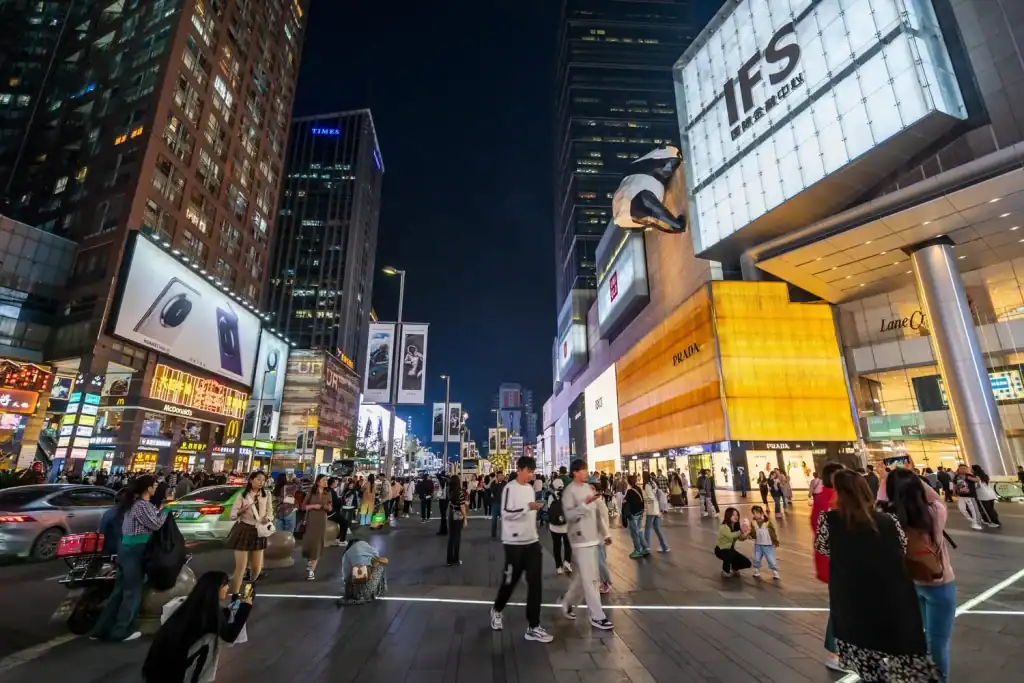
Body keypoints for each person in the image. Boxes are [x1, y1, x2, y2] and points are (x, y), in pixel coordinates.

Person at [814, 470, 942, 681]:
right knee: (905, 667)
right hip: (892, 603)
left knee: (868, 667)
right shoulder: (888, 520)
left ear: (840, 493)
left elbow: (823, 547)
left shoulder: (829, 521)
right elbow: (901, 546)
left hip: (852, 604)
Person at [881, 468, 956, 680]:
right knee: (938, 642)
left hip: (909, 582)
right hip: (939, 582)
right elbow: (932, 494)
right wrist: (912, 477)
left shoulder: (887, 517)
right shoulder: (934, 512)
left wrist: (887, 481)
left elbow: (880, 499)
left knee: (920, 637)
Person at [91, 475, 165, 642]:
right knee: (132, 591)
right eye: (154, 485)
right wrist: (165, 511)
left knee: (119, 591)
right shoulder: (141, 505)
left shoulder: (131, 504)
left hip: (125, 549)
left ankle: (102, 629)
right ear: (148, 488)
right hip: (134, 550)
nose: (155, 488)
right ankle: (122, 631)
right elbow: (156, 524)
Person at [142, 571, 251, 683]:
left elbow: (225, 614)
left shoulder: (193, 605)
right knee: (211, 640)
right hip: (174, 673)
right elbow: (230, 635)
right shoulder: (208, 614)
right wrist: (247, 605)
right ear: (216, 588)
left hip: (157, 669)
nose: (227, 588)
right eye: (225, 585)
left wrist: (238, 603)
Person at [490, 456, 553, 643]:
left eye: (533, 472)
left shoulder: (529, 489)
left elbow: (528, 514)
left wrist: (533, 508)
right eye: (530, 472)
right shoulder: (510, 488)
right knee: (510, 582)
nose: (532, 475)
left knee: (535, 584)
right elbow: (507, 514)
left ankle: (533, 626)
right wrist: (529, 507)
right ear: (521, 469)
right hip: (513, 544)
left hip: (532, 543)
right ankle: (497, 610)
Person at [559, 459, 613, 631]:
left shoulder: (588, 488)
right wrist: (584, 504)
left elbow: (597, 513)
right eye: (583, 470)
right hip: (580, 540)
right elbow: (569, 516)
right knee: (591, 580)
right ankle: (597, 616)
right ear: (575, 472)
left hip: (593, 538)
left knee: (585, 579)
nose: (586, 472)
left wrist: (605, 533)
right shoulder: (569, 492)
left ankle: (567, 602)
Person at [811, 461, 845, 670]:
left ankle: (840, 651)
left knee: (842, 605)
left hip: (831, 560)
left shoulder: (823, 497)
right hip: (837, 561)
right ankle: (834, 654)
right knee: (842, 606)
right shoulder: (831, 499)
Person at [226, 471, 273, 593]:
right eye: (258, 479)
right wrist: (240, 511)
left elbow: (270, 511)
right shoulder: (243, 494)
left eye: (263, 480)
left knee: (257, 568)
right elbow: (232, 515)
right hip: (244, 529)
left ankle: (248, 590)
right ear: (251, 480)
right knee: (241, 567)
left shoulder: (266, 494)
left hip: (259, 531)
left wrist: (267, 519)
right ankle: (235, 595)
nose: (261, 482)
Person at [301, 474, 333, 580]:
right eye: (324, 480)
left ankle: (312, 571)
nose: (325, 482)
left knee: (318, 544)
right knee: (310, 543)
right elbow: (303, 506)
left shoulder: (328, 493)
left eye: (326, 480)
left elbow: (330, 508)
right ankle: (310, 561)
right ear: (318, 481)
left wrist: (328, 508)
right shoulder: (311, 492)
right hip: (311, 520)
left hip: (322, 521)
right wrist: (314, 506)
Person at [715, 507, 751, 577]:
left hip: (730, 550)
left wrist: (746, 534)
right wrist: (741, 531)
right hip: (721, 550)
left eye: (737, 515)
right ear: (728, 516)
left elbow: (740, 538)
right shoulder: (723, 526)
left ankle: (734, 567)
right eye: (733, 515)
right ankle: (725, 571)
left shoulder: (735, 526)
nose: (736, 517)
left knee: (747, 563)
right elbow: (731, 536)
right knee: (729, 554)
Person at [546, 478, 572, 574]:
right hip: (566, 526)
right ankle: (567, 562)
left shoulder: (550, 497)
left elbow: (549, 510)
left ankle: (559, 566)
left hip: (554, 527)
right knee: (568, 545)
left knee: (556, 547)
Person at [749, 505, 780, 580]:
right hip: (758, 544)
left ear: (761, 513)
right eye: (754, 513)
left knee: (770, 558)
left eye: (757, 513)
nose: (756, 515)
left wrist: (775, 541)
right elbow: (753, 533)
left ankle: (775, 571)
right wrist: (750, 535)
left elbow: (772, 532)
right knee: (757, 558)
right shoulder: (753, 523)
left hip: (767, 545)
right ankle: (756, 570)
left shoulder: (767, 522)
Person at [642, 472, 669, 552]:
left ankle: (647, 547)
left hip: (651, 509)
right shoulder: (653, 483)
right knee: (657, 528)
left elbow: (650, 497)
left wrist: (644, 500)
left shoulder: (647, 485)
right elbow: (657, 495)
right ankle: (664, 546)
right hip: (656, 508)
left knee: (647, 529)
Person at [623, 474, 649, 558]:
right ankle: (645, 548)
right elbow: (642, 500)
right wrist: (642, 510)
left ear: (628, 482)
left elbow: (625, 502)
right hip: (639, 513)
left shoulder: (630, 491)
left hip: (633, 515)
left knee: (635, 534)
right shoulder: (638, 489)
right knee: (639, 531)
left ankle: (637, 550)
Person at [952, 464, 983, 530]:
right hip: (961, 496)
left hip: (970, 496)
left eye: (964, 468)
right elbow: (954, 484)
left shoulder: (969, 475)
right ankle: (973, 521)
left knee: (973, 510)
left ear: (967, 469)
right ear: (959, 469)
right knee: (962, 509)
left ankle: (976, 523)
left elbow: (977, 480)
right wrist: (954, 491)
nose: (963, 469)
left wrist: (969, 478)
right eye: (961, 468)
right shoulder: (957, 476)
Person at [446, 474, 467, 566]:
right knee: (457, 537)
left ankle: (449, 560)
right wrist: (465, 518)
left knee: (451, 537)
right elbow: (462, 506)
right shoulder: (460, 492)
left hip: (451, 513)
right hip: (458, 514)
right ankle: (456, 559)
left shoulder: (449, 491)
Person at [489, 470, 506, 538]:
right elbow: (492, 492)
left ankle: (505, 533)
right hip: (495, 503)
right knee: (494, 520)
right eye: (500, 475)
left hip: (503, 503)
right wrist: (496, 484)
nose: (501, 476)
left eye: (502, 475)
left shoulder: (505, 483)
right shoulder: (493, 483)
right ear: (497, 476)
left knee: (505, 520)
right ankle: (493, 534)